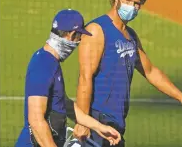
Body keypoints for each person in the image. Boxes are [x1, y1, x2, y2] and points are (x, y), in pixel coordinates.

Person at [73, 0, 182, 147]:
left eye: (137, 4)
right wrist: (83, 121)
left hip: (116, 123)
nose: (132, 7)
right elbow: (85, 77)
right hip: (97, 120)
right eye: (128, 1)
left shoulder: (130, 36)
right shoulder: (97, 30)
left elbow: (150, 71)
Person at [15, 9, 121, 147]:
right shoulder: (43, 63)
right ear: (71, 35)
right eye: (79, 37)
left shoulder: (51, 62)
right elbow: (35, 119)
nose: (79, 42)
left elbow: (64, 104)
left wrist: (99, 127)